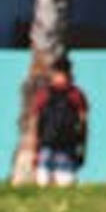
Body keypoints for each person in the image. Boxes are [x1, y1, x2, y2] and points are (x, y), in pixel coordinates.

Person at [32, 54, 88, 186]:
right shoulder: (74, 94)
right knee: (46, 183)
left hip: (64, 147)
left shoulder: (74, 95)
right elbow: (83, 123)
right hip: (52, 146)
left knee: (60, 184)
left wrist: (81, 147)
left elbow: (83, 122)